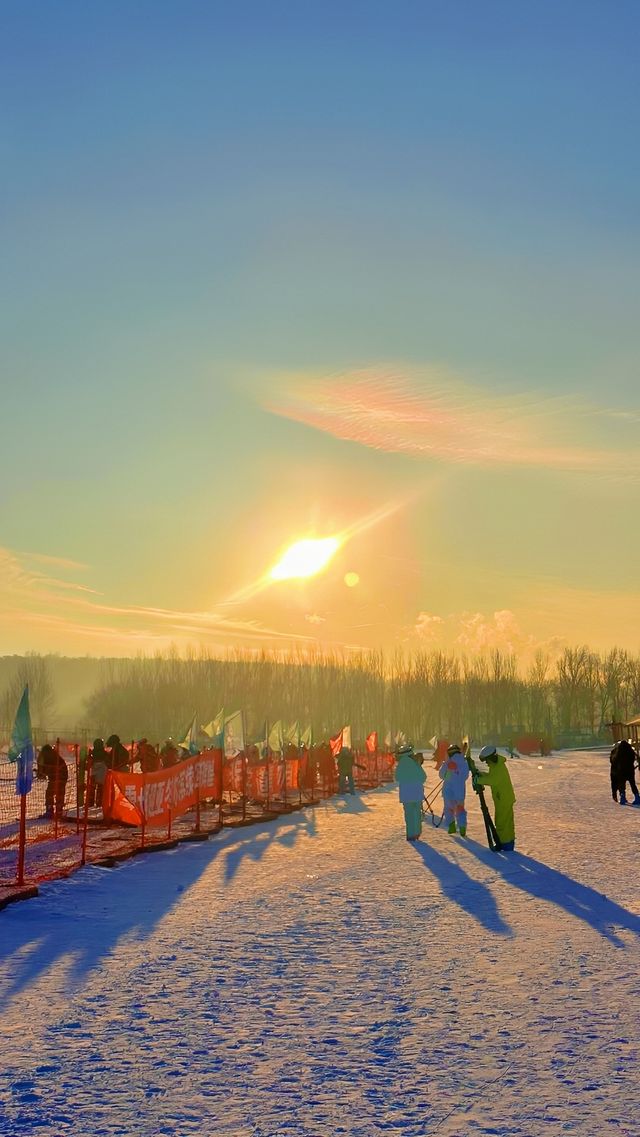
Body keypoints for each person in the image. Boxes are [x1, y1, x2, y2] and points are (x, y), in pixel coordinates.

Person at [473, 745, 516, 851]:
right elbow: (492, 777)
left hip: (503, 799)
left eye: (487, 761)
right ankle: (508, 843)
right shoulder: (496, 766)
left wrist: (478, 780)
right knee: (506, 822)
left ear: (491, 758)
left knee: (502, 823)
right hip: (503, 798)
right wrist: (482, 775)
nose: (486, 763)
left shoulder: (498, 767)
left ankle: (505, 844)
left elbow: (493, 780)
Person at [395, 742, 427, 842]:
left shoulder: (400, 765)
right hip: (417, 793)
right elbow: (423, 777)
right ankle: (417, 832)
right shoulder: (415, 763)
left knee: (408, 815)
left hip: (406, 794)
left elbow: (397, 778)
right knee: (417, 814)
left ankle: (410, 834)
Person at [439, 742, 470, 837]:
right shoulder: (463, 763)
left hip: (448, 791)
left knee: (449, 809)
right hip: (460, 791)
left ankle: (451, 826)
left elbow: (442, 776)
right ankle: (462, 827)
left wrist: (449, 770)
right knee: (460, 809)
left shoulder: (447, 763)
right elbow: (465, 776)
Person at [37, 744, 69, 820]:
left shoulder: (46, 757)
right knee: (60, 792)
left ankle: (50, 810)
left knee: (50, 792)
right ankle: (59, 810)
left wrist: (41, 773)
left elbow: (45, 769)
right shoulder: (55, 755)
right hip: (63, 776)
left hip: (56, 776)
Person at [610, 739, 640, 805]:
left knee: (622, 784)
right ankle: (637, 797)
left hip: (621, 771)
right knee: (633, 784)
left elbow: (613, 761)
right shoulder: (630, 751)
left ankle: (623, 798)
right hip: (630, 770)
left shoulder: (616, 752)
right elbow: (634, 758)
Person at [88, 738, 109, 808]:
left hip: (93, 771)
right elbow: (108, 761)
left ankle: (90, 803)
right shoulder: (105, 753)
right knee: (100, 788)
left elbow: (89, 762)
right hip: (102, 771)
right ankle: (99, 803)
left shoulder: (92, 753)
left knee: (92, 788)